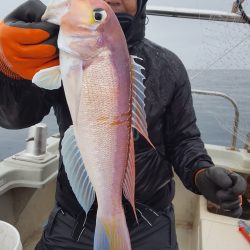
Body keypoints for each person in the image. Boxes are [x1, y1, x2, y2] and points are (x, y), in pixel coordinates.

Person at [0, 0, 247, 249]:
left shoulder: (169, 66)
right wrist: (10, 70)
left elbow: (183, 140)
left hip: (151, 220)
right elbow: (15, 116)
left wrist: (201, 173)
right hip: (72, 219)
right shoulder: (59, 58)